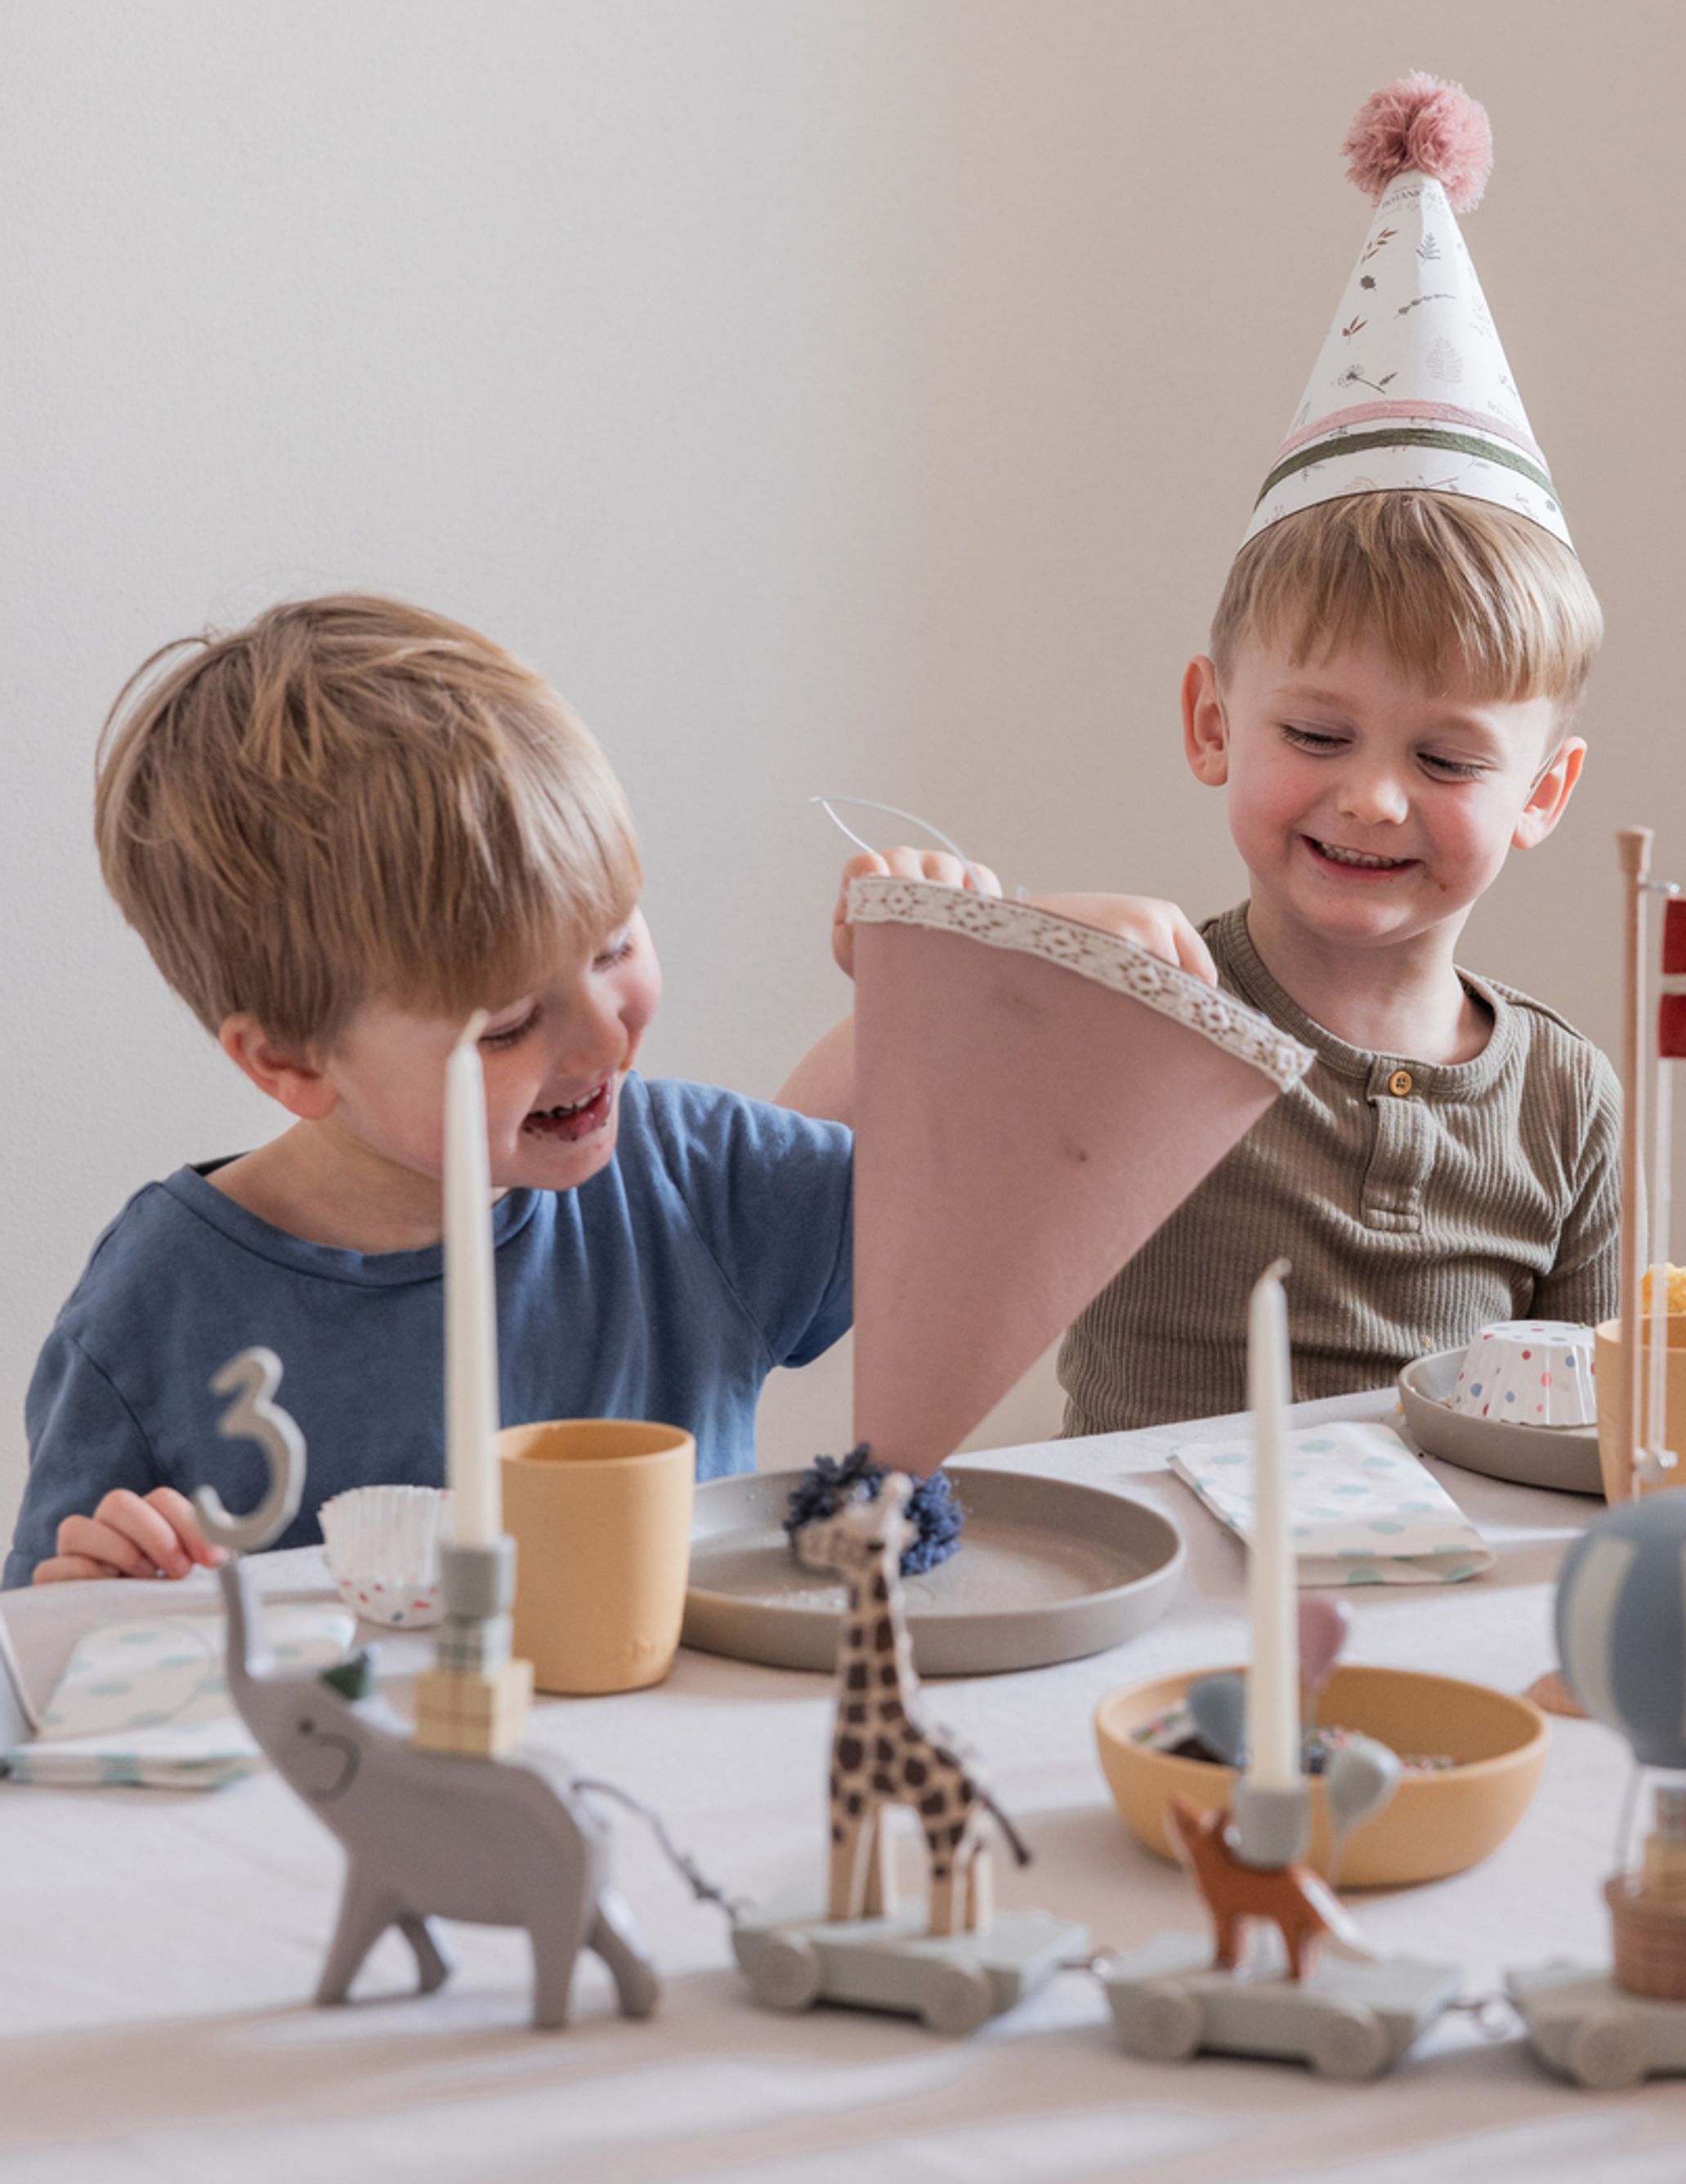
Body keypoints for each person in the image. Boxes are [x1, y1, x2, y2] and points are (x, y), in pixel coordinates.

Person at [10, 596, 1194, 1585]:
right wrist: (96, 1607)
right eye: (510, 1023)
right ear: (289, 1064)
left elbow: (986, 1187)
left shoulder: (691, 1181)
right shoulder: (156, 1311)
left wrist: (977, 967)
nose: (601, 1037)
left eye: (617, 947)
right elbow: (40, 1689)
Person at [1057, 73, 1620, 1432]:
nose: (1372, 796)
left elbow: (1597, 1432)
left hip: (1442, 1623)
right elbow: (872, 1210)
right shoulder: (1141, 1020)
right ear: (1212, 723)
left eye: (1449, 760)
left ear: (1545, 790)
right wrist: (1022, 957)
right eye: (1317, 733)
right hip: (1157, 1608)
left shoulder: (1565, 1101)